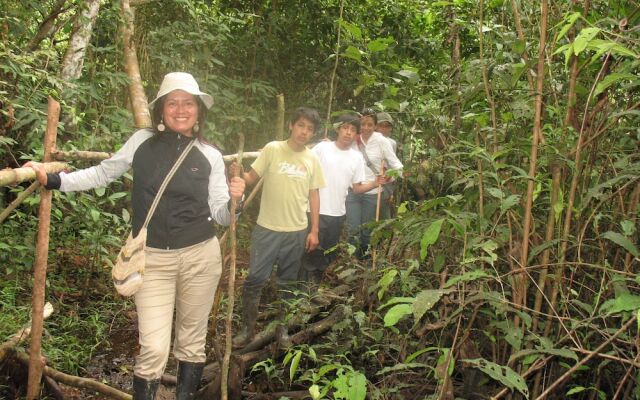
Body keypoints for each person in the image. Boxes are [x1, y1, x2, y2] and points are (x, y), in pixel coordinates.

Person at [26, 72, 245, 400]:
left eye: (188, 103)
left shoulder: (209, 154)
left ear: (199, 110)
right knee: (154, 350)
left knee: (192, 344)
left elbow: (221, 215)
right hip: (152, 259)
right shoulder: (141, 142)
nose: (181, 109)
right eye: (173, 103)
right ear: (161, 109)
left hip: (200, 256)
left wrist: (235, 201)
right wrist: (56, 181)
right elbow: (103, 173)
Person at [232, 107, 326, 348]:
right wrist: (238, 174)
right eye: (301, 125)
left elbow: (314, 195)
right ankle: (247, 329)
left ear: (313, 133)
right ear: (291, 126)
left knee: (287, 282)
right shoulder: (273, 149)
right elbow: (251, 177)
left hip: (296, 231)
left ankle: (281, 330)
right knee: (255, 278)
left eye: (309, 129)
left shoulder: (312, 158)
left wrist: (314, 230)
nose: (304, 132)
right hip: (267, 229)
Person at [300, 113, 383, 284]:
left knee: (329, 251)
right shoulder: (323, 148)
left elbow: (357, 188)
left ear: (356, 134)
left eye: (353, 130)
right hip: (313, 209)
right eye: (345, 128)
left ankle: (318, 283)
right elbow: (302, 156)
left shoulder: (356, 157)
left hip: (337, 213)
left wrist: (375, 183)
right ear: (338, 129)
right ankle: (304, 285)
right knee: (309, 248)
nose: (348, 133)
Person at [345, 108, 403, 259]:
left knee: (366, 230)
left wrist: (388, 178)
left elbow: (398, 167)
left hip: (372, 193)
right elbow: (338, 149)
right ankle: (352, 259)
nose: (365, 128)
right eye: (363, 124)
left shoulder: (382, 142)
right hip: (354, 190)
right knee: (353, 229)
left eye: (369, 124)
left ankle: (365, 259)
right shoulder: (352, 138)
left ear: (375, 126)